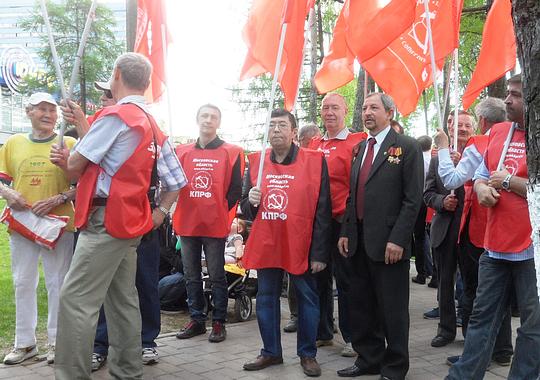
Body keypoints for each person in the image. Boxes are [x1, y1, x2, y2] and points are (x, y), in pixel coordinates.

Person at [51, 52, 187, 380]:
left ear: (117, 75)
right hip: (132, 224)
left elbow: (74, 166)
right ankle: (128, 369)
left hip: (105, 222)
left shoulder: (115, 116)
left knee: (76, 299)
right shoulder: (153, 125)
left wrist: (66, 157)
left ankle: (71, 374)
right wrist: (159, 214)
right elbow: (176, 180)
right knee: (122, 299)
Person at [447, 75, 540, 380]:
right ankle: (464, 375)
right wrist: (483, 186)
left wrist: (509, 182)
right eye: (508, 94)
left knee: (533, 326)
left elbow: (510, 180)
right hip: (495, 246)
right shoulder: (499, 131)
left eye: (515, 95)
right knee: (481, 318)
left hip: (532, 252)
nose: (508, 100)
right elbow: (484, 173)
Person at [337, 92, 423, 379]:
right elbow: (353, 195)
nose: (367, 112)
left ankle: (395, 365)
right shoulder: (360, 149)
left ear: (390, 112)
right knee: (361, 304)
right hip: (358, 240)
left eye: (373, 107)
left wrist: (399, 239)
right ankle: (369, 358)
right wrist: (347, 231)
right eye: (364, 108)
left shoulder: (406, 147)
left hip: (389, 244)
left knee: (392, 309)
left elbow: (412, 200)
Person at [241, 108, 332, 377]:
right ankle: (270, 352)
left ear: (294, 132)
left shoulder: (314, 161)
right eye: (272, 126)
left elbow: (323, 209)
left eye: (282, 125)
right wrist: (251, 201)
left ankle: (307, 354)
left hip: (301, 244)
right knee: (266, 298)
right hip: (268, 242)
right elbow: (245, 208)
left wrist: (319, 253)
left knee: (307, 298)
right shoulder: (256, 162)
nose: (276, 130)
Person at [434, 97, 513, 365]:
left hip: (478, 231)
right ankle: (502, 350)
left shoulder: (479, 143)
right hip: (508, 230)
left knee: (474, 292)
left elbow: (451, 179)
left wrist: (443, 149)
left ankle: (475, 352)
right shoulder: (513, 142)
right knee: (498, 291)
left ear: (481, 121)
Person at [0, 92, 76, 365]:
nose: (48, 115)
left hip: (59, 225)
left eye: (52, 110)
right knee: (23, 282)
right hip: (23, 225)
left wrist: (58, 198)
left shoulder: (67, 142)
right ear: (28, 112)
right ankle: (25, 344)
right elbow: (1, 180)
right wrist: (8, 194)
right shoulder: (13, 143)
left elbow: (84, 185)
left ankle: (57, 342)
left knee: (59, 284)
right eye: (41, 109)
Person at [173, 104, 244, 343]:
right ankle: (196, 319)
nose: (208, 120)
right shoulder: (181, 151)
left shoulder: (231, 152)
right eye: (204, 115)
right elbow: (172, 184)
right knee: (191, 274)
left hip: (214, 224)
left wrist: (220, 212)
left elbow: (235, 189)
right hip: (187, 223)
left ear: (219, 122)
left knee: (217, 275)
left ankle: (218, 322)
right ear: (197, 119)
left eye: (213, 117)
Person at [308, 93, 367, 356]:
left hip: (344, 221)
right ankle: (323, 332)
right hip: (318, 223)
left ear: (345, 110)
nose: (329, 112)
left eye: (334, 107)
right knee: (318, 277)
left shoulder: (358, 142)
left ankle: (354, 338)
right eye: (325, 108)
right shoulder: (313, 143)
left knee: (347, 281)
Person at [424, 111, 474, 348]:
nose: (462, 129)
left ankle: (470, 332)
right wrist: (441, 202)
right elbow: (427, 193)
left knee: (471, 284)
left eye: (467, 125)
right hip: (445, 227)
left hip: (471, 231)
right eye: (458, 125)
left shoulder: (479, 154)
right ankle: (446, 330)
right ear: (450, 128)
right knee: (445, 282)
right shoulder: (437, 159)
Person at [411, 135, 433, 285]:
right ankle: (431, 271)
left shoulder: (417, 160)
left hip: (419, 201)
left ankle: (422, 273)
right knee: (430, 237)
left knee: (419, 237)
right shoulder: (433, 159)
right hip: (432, 202)